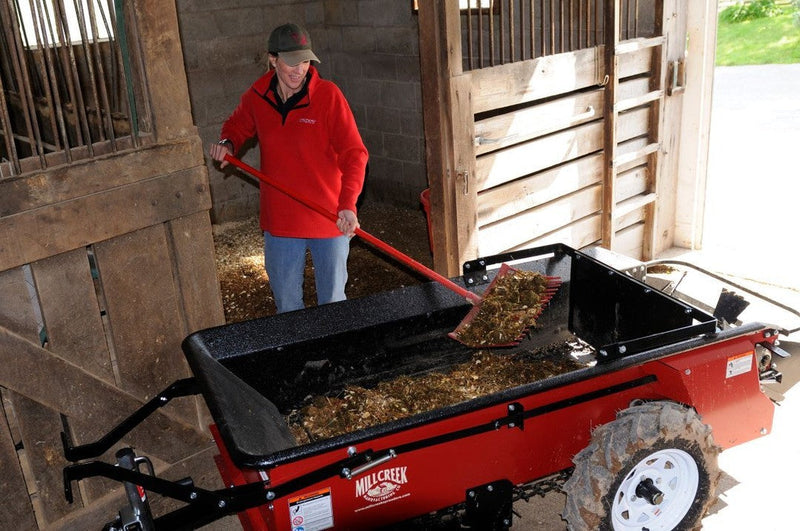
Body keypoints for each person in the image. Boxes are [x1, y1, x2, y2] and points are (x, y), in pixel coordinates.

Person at [209, 23, 368, 313]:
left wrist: (348, 205)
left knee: (332, 303)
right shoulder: (257, 96)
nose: (299, 70)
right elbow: (236, 125)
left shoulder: (328, 97)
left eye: (305, 61)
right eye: (291, 62)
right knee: (287, 305)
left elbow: (355, 154)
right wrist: (227, 143)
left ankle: (334, 356)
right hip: (281, 219)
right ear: (273, 60)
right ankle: (300, 359)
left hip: (328, 216)